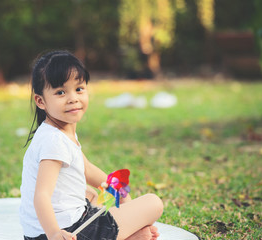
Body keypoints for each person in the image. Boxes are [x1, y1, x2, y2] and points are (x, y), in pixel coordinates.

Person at [19, 50, 164, 240]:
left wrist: (119, 190)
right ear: (41, 101)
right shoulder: (54, 142)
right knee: (153, 203)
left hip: (44, 233)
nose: (73, 98)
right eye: (61, 92)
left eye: (79, 89)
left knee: (90, 193)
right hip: (66, 233)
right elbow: (42, 195)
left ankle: (126, 234)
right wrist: (54, 233)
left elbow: (86, 168)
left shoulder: (56, 132)